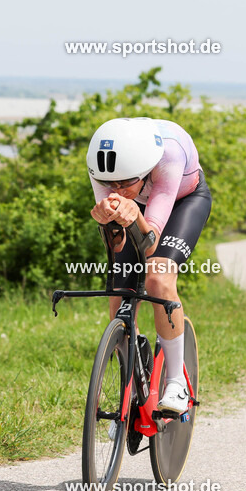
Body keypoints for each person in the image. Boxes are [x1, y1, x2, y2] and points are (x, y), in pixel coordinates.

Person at [87, 117, 212, 415]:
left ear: (144, 170)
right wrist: (108, 223)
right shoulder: (103, 165)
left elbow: (151, 243)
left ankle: (176, 382)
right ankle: (131, 387)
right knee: (119, 291)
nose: (116, 190)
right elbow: (117, 246)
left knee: (158, 278)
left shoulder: (169, 155)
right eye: (110, 184)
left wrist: (134, 215)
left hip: (182, 201)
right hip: (140, 206)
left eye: (124, 183)